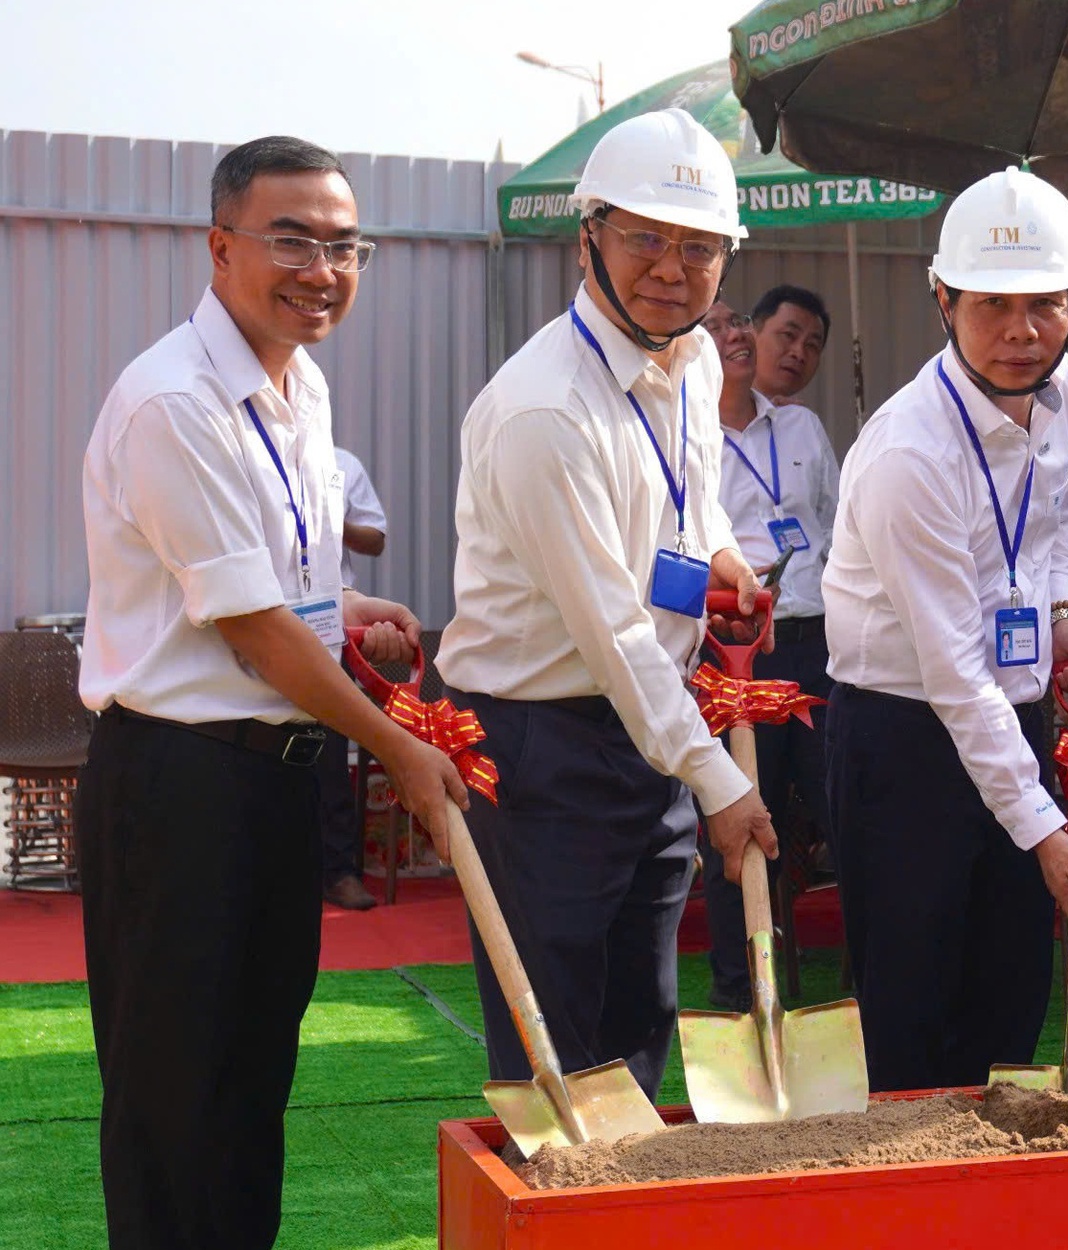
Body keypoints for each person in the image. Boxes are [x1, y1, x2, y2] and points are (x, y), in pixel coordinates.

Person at [74, 135, 467, 1250]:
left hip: (281, 782)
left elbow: (277, 586)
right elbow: (247, 628)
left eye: (345, 246)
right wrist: (395, 745)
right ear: (219, 247)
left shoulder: (301, 386)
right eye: (291, 239)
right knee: (171, 1093)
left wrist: (345, 608)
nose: (322, 268)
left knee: (253, 1080)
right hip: (180, 782)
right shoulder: (173, 401)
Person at [435, 110, 777, 1104]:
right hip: (541, 746)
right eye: (646, 239)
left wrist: (724, 563)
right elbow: (613, 632)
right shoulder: (546, 409)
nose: (673, 269)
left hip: (650, 731)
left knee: (639, 1012)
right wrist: (719, 780)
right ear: (589, 235)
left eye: (699, 247)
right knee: (554, 1038)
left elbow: (692, 494)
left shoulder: (696, 359)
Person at [821, 167, 1068, 1092]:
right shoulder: (912, 453)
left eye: (1046, 306)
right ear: (942, 298)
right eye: (993, 306)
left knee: (1009, 997)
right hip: (907, 743)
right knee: (915, 1008)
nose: (1022, 333)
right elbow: (952, 672)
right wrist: (1045, 830)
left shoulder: (1061, 401)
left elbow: (1057, 528)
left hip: (1012, 723)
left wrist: (1061, 615)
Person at [698, 296, 842, 1011]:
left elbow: (837, 531)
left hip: (813, 645)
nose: (736, 336)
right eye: (717, 326)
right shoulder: (682, 434)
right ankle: (742, 995)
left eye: (737, 323)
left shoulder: (802, 427)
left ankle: (867, 983)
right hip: (729, 649)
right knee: (739, 820)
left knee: (845, 808)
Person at [319, 445, 389, 911]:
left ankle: (338, 871)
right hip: (264, 621)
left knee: (327, 753)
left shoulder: (342, 465)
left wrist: (332, 525)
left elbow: (376, 538)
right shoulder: (253, 461)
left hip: (329, 623)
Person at [750, 283, 830, 403]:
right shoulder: (713, 403)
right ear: (751, 334)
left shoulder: (802, 419)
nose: (799, 354)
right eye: (788, 335)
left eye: (812, 345)